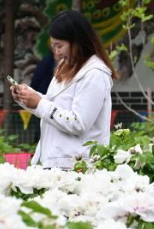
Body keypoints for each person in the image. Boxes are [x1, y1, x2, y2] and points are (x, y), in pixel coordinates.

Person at [11, 10, 117, 169]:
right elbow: (54, 106)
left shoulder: (95, 74)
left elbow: (78, 123)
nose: (56, 52)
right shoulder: (65, 66)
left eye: (59, 46)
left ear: (77, 41)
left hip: (78, 167)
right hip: (57, 162)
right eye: (53, 46)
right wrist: (28, 98)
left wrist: (39, 103)